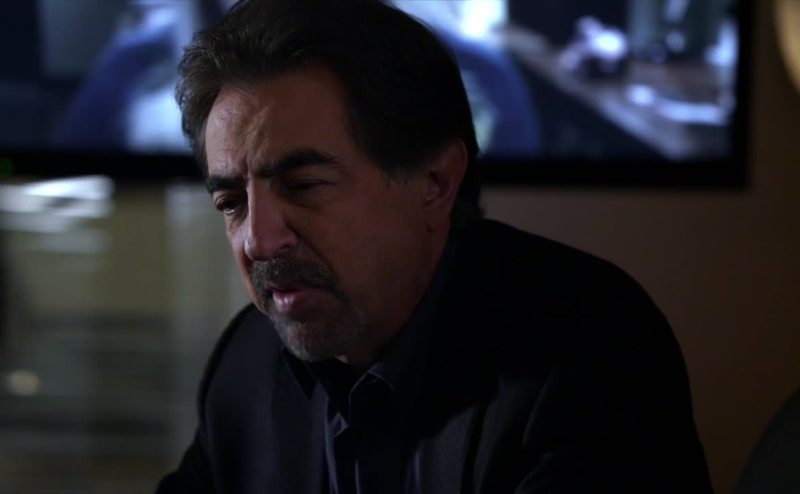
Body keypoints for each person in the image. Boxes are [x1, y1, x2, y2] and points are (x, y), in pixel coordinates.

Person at [157, 0, 712, 492]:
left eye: (304, 186)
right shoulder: (247, 363)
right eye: (231, 203)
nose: (258, 239)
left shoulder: (587, 353)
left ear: (435, 182)